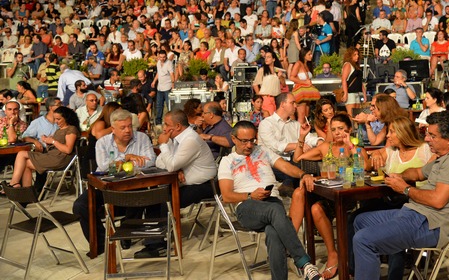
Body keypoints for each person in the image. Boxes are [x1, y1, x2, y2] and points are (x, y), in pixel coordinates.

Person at [351, 111, 449, 279]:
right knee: (360, 220)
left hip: (430, 224)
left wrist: (405, 189)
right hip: (415, 214)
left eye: (432, 136)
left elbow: (438, 200)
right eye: (427, 135)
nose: (426, 139)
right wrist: (400, 176)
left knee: (363, 240)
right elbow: (418, 173)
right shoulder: (443, 158)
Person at [218, 121, 323, 280]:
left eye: (252, 140)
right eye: (244, 141)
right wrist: (249, 195)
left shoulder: (262, 151)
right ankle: (304, 262)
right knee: (276, 211)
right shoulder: (227, 161)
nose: (249, 145)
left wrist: (303, 175)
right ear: (234, 139)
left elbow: (285, 167)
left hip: (271, 201)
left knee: (273, 232)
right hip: (247, 206)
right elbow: (226, 196)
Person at [290, 113, 369, 279]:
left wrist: (351, 146)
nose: (337, 132)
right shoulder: (326, 147)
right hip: (329, 195)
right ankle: (332, 253)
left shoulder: (356, 149)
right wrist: (302, 137)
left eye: (341, 129)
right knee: (314, 208)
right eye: (333, 129)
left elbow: (366, 167)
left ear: (349, 129)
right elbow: (298, 158)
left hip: (351, 197)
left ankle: (347, 260)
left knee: (315, 205)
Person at [136, 109, 217, 258]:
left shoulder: (190, 140)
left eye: (167, 124)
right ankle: (153, 241)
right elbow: (161, 163)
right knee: (154, 196)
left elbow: (171, 165)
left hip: (205, 185)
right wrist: (176, 166)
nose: (164, 128)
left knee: (163, 201)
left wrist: (163, 146)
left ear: (178, 126)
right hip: (185, 183)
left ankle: (157, 244)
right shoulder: (176, 139)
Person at [72, 109, 156, 252]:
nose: (128, 130)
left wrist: (122, 165)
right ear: (113, 129)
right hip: (106, 187)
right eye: (123, 127)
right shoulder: (102, 143)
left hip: (133, 186)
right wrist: (126, 158)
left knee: (141, 194)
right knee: (80, 206)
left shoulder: (142, 138)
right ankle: (101, 243)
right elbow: (104, 166)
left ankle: (126, 234)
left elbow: (151, 161)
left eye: (130, 126)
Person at [6, 106, 79, 189]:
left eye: (58, 119)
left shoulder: (71, 129)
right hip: (53, 155)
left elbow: (68, 150)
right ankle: (26, 193)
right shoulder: (60, 129)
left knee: (21, 154)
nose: (56, 122)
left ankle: (14, 183)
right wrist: (47, 141)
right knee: (25, 163)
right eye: (55, 119)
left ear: (66, 118)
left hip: (60, 158)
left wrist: (53, 141)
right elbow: (55, 145)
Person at [290, 48, 321, 125]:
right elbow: (292, 77)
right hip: (301, 92)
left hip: (307, 93)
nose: (311, 56)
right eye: (309, 54)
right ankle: (300, 134)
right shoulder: (298, 63)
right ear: (304, 55)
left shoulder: (307, 65)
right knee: (302, 115)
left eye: (311, 54)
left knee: (306, 114)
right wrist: (304, 82)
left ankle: (305, 133)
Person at [340, 46, 366, 116]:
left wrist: (364, 94)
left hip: (357, 92)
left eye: (357, 54)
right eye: (354, 55)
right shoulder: (348, 65)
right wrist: (345, 93)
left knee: (358, 114)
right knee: (351, 114)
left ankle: (356, 126)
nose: (357, 56)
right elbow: (344, 79)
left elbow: (360, 82)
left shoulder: (357, 66)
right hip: (350, 93)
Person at [152, 50, 175, 125]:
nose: (162, 59)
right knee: (159, 105)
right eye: (161, 57)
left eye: (164, 57)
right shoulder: (158, 63)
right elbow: (159, 73)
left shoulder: (169, 63)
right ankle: (158, 121)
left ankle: (171, 121)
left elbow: (172, 74)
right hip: (160, 87)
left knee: (169, 105)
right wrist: (154, 81)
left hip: (167, 86)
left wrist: (173, 84)